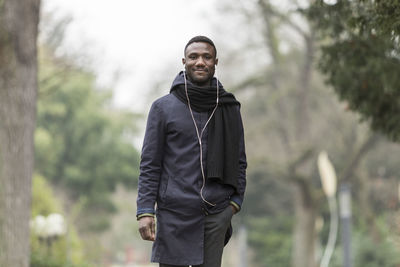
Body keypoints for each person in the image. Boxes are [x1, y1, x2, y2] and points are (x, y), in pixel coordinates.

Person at [136, 36, 247, 267]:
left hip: (215, 214)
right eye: (194, 56)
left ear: (215, 62)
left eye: (206, 57)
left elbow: (239, 161)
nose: (200, 62)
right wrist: (145, 210)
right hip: (174, 213)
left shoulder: (228, 107)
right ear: (184, 61)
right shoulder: (163, 108)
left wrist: (234, 204)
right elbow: (150, 164)